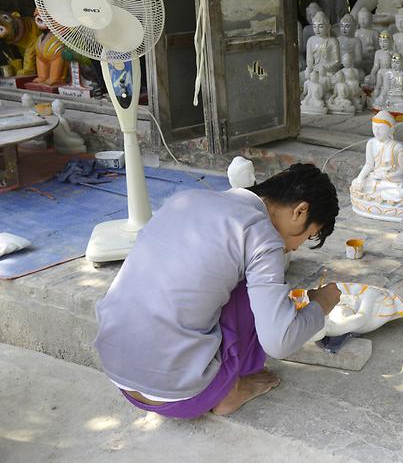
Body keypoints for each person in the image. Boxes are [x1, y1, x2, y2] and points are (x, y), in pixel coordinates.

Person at [94, 164, 341, 418]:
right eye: (308, 236)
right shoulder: (261, 235)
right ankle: (230, 389)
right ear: (300, 210)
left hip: (118, 374)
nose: (297, 247)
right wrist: (320, 305)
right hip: (182, 397)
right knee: (252, 289)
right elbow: (280, 341)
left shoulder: (185, 198)